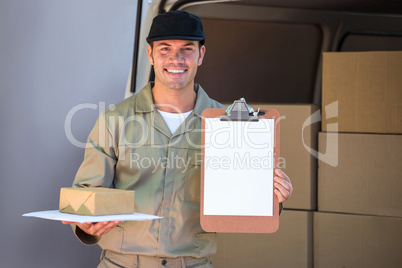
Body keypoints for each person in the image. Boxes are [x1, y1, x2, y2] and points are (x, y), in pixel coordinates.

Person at [63, 10, 293, 268]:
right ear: (150, 54)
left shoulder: (229, 127)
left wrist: (270, 194)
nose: (176, 59)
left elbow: (245, 198)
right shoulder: (114, 119)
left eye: (187, 49)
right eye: (165, 49)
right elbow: (85, 194)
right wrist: (85, 220)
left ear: (201, 55)